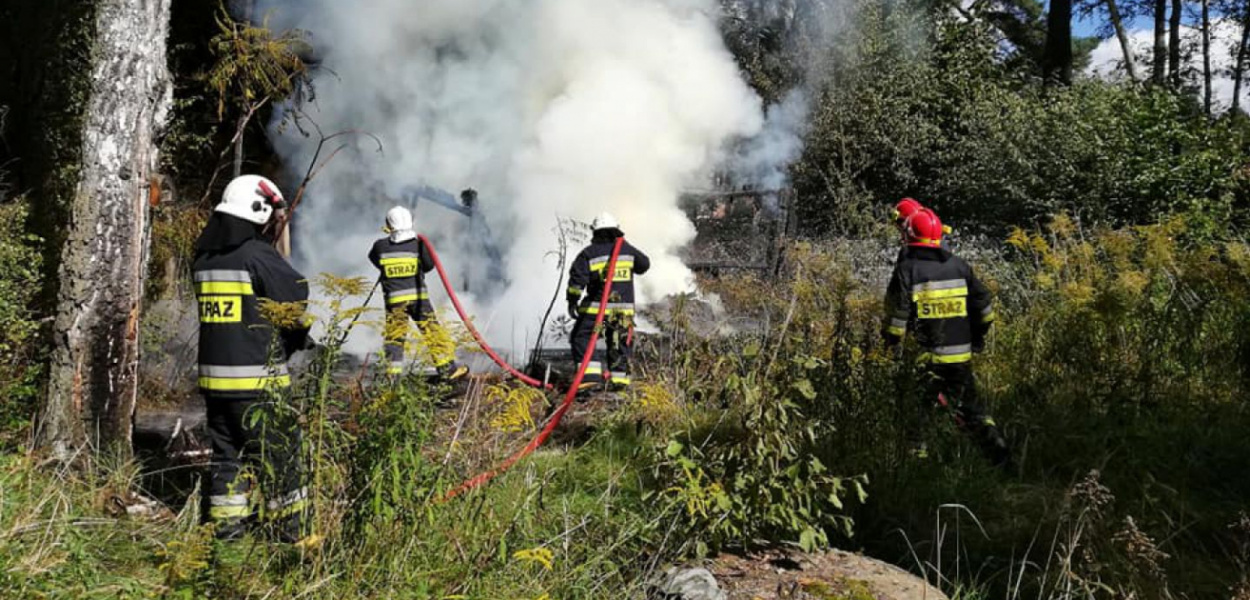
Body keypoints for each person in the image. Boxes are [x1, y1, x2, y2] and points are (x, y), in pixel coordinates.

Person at [192, 174, 314, 544]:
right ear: (258, 211)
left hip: (216, 385)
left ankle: (228, 532)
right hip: (257, 382)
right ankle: (291, 535)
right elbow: (294, 295)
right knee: (280, 455)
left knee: (227, 457)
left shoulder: (203, 258)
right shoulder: (256, 255)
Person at [883, 208, 1010, 467]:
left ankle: (916, 469)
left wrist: (890, 346)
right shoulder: (959, 265)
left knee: (918, 417)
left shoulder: (908, 269)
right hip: (961, 358)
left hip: (925, 359)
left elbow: (896, 321)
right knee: (973, 411)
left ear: (909, 237)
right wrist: (977, 339)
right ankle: (1000, 458)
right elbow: (985, 311)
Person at [367, 206, 467, 380]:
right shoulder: (419, 244)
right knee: (432, 331)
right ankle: (447, 370)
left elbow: (374, 259)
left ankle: (392, 378)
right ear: (410, 222)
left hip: (394, 302)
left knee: (395, 338)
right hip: (419, 300)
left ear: (388, 225)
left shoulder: (380, 246)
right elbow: (428, 265)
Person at [567, 212, 650, 392]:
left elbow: (576, 281)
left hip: (597, 313)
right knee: (619, 344)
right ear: (617, 231)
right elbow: (644, 265)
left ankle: (589, 378)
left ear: (595, 232)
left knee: (582, 338)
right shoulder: (626, 250)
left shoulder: (589, 253)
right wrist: (626, 247)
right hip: (622, 314)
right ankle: (620, 383)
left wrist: (572, 302)